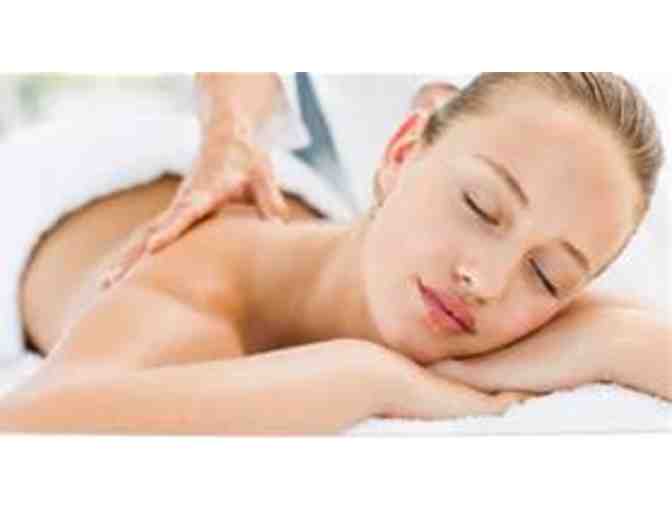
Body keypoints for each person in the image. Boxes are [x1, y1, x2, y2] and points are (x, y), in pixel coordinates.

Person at [0, 72, 668, 435]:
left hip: (303, 204)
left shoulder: (440, 277)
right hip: (62, 175)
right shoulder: (193, 301)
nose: (485, 280)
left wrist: (609, 342)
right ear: (401, 152)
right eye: (480, 207)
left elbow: (642, 342)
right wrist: (365, 376)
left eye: (547, 275)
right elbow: (26, 430)